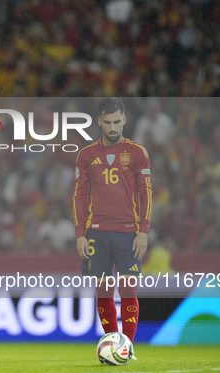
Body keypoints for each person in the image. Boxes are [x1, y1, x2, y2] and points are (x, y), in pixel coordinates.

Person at [73, 97, 152, 357]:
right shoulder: (86, 155)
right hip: (96, 232)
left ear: (124, 119)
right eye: (107, 122)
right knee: (103, 290)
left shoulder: (138, 153)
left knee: (129, 288)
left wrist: (144, 231)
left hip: (129, 233)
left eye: (117, 121)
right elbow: (79, 196)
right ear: (99, 121)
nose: (112, 127)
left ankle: (127, 348)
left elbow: (146, 194)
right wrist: (80, 234)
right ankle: (110, 344)